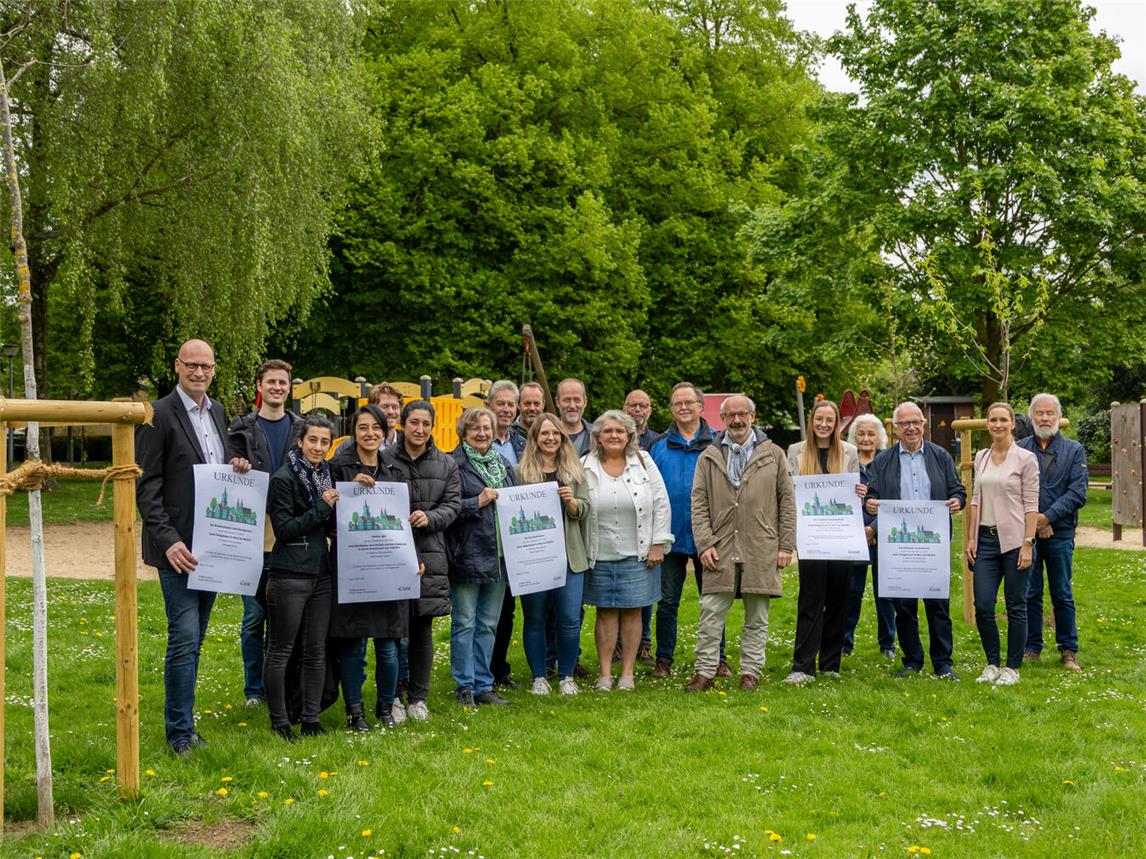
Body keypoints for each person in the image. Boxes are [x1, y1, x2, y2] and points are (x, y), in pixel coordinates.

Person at [136, 338, 252, 756]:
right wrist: (168, 543)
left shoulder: (218, 412)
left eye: (206, 366)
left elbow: (218, 471)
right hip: (178, 549)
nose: (199, 372)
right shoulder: (157, 415)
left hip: (213, 547)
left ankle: (184, 722)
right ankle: (179, 735)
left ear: (215, 369)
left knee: (196, 638)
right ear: (177, 366)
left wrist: (237, 465)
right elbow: (146, 486)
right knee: (184, 637)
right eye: (192, 365)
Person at [686, 396, 795, 691]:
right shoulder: (708, 456)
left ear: (753, 415)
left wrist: (786, 545)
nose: (737, 420)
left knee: (757, 615)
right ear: (722, 418)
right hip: (719, 546)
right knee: (711, 613)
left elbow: (787, 499)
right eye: (731, 415)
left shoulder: (773, 454)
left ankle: (750, 672)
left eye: (742, 414)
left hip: (761, 544)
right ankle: (705, 671)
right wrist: (705, 543)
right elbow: (698, 503)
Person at [326, 405, 416, 729]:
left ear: (385, 431)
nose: (370, 434)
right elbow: (325, 518)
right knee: (353, 644)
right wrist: (348, 488)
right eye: (363, 428)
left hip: (389, 569)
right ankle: (355, 713)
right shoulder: (337, 466)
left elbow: (405, 522)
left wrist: (413, 559)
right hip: (354, 569)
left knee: (389, 647)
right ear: (354, 432)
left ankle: (385, 709)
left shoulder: (396, 471)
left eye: (376, 428)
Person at [865, 402, 966, 680]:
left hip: (932, 545)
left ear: (924, 425)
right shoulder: (883, 460)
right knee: (904, 606)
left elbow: (958, 490)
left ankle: (943, 662)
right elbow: (870, 494)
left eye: (916, 422)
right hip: (898, 547)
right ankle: (912, 660)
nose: (911, 428)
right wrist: (870, 503)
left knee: (938, 605)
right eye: (904, 423)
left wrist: (957, 501)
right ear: (895, 429)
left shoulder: (941, 456)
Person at [226, 359, 302, 709]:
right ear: (259, 385)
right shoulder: (240, 429)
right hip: (251, 534)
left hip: (288, 532)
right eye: (270, 381)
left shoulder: (301, 428)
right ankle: (254, 689)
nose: (277, 387)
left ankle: (284, 682)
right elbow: (225, 469)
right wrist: (235, 465)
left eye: (282, 382)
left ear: (289, 387)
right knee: (254, 616)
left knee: (285, 614)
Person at [380, 400, 461, 721]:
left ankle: (418, 697)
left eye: (426, 423)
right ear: (402, 424)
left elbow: (453, 505)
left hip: (430, 553)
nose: (420, 429)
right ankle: (394, 696)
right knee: (393, 630)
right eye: (414, 422)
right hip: (389, 555)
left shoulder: (446, 464)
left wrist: (430, 517)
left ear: (433, 426)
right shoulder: (384, 460)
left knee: (422, 629)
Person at [583, 410, 672, 691]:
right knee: (606, 613)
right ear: (597, 436)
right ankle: (606, 674)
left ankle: (628, 675)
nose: (614, 436)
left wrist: (659, 542)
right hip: (599, 551)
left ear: (630, 436)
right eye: (607, 431)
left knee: (634, 612)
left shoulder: (643, 463)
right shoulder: (585, 465)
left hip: (639, 551)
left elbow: (661, 502)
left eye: (620, 431)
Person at [265, 415, 340, 741]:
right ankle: (279, 721)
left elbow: (326, 523)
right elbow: (284, 529)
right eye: (313, 440)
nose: (319, 447)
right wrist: (323, 509)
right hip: (289, 574)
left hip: (320, 573)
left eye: (325, 442)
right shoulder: (283, 478)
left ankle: (310, 719)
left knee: (315, 650)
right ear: (300, 441)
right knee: (281, 649)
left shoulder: (326, 475)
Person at [783, 400, 861, 684]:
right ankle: (803, 666)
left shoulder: (850, 452)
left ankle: (831, 663)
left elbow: (855, 491)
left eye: (830, 420)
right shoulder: (796, 452)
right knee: (811, 599)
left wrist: (860, 491)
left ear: (837, 422)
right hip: (811, 535)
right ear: (812, 421)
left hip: (841, 535)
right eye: (819, 419)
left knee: (839, 599)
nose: (824, 425)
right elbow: (789, 491)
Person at [650, 382, 725, 678]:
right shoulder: (658, 445)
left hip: (709, 536)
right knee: (667, 601)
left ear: (699, 406)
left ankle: (717, 659)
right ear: (671, 408)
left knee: (713, 601)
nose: (683, 407)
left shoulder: (718, 443)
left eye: (688, 402)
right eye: (676, 403)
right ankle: (663, 659)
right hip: (669, 536)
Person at [446, 407, 517, 707]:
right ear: (464, 431)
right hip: (467, 554)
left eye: (486, 427)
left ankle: (483, 685)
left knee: (488, 623)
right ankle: (464, 685)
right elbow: (446, 509)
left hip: (500, 556)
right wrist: (476, 502)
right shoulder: (452, 464)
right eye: (475, 428)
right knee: (464, 622)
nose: (482, 433)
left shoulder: (503, 463)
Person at [516, 413, 591, 695]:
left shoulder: (575, 472)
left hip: (569, 557)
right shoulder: (519, 473)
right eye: (544, 433)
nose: (550, 438)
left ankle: (567, 676)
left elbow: (585, 509)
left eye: (555, 434)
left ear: (562, 438)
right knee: (534, 618)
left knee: (570, 618)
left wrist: (572, 503)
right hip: (533, 559)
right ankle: (539, 677)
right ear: (534, 438)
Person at [967, 403, 1039, 686]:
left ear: (1012, 424)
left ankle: (1012, 667)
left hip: (1014, 541)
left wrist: (1028, 543)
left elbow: (1032, 505)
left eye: (1002, 420)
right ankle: (992, 663)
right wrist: (971, 537)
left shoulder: (1025, 459)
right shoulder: (981, 456)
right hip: (984, 541)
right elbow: (975, 498)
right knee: (983, 605)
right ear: (988, 424)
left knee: (1015, 604)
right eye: (992, 420)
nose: (997, 424)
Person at [1019, 393, 1087, 671]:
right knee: (1030, 592)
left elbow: (1077, 492)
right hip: (1027, 535)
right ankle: (1032, 647)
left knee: (1062, 592)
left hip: (1060, 532)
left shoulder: (1074, 450)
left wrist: (1047, 519)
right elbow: (1016, 490)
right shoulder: (1020, 449)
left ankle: (1068, 650)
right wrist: (1035, 524)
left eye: (1050, 413)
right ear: (1032, 416)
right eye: (1039, 413)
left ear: (1058, 417)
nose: (1044, 418)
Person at [842, 414, 896, 659]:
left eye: (871, 434)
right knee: (851, 592)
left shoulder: (888, 462)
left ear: (879, 438)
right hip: (852, 537)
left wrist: (874, 527)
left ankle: (887, 644)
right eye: (861, 434)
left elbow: (895, 499)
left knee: (885, 592)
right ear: (854, 437)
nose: (865, 438)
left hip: (882, 535)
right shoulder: (846, 462)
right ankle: (845, 642)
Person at [487, 380, 525, 689]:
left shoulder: (522, 443)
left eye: (511, 404)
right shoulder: (480, 440)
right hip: (486, 536)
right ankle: (480, 669)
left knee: (508, 609)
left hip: (517, 537)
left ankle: (499, 668)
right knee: (486, 609)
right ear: (489, 406)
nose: (506, 409)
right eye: (500, 403)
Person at [334, 382, 404, 458]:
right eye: (385, 407)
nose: (391, 411)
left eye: (395, 407)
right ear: (371, 409)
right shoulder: (349, 445)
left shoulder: (408, 443)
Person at [556, 378, 593, 455]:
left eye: (577, 400)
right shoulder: (546, 437)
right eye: (567, 400)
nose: (572, 406)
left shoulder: (597, 436)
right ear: (557, 402)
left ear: (585, 402)